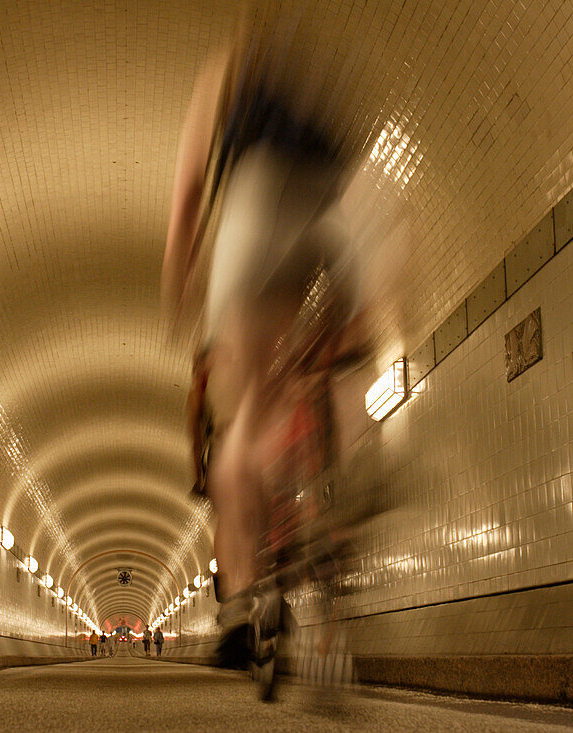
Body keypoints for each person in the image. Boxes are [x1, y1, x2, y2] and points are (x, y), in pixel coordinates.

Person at [161, 17, 365, 669]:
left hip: (258, 213)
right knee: (340, 360)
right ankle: (343, 503)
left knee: (247, 409)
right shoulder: (313, 75)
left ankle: (247, 598)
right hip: (338, 210)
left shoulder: (222, 74)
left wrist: (179, 271)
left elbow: (191, 187)